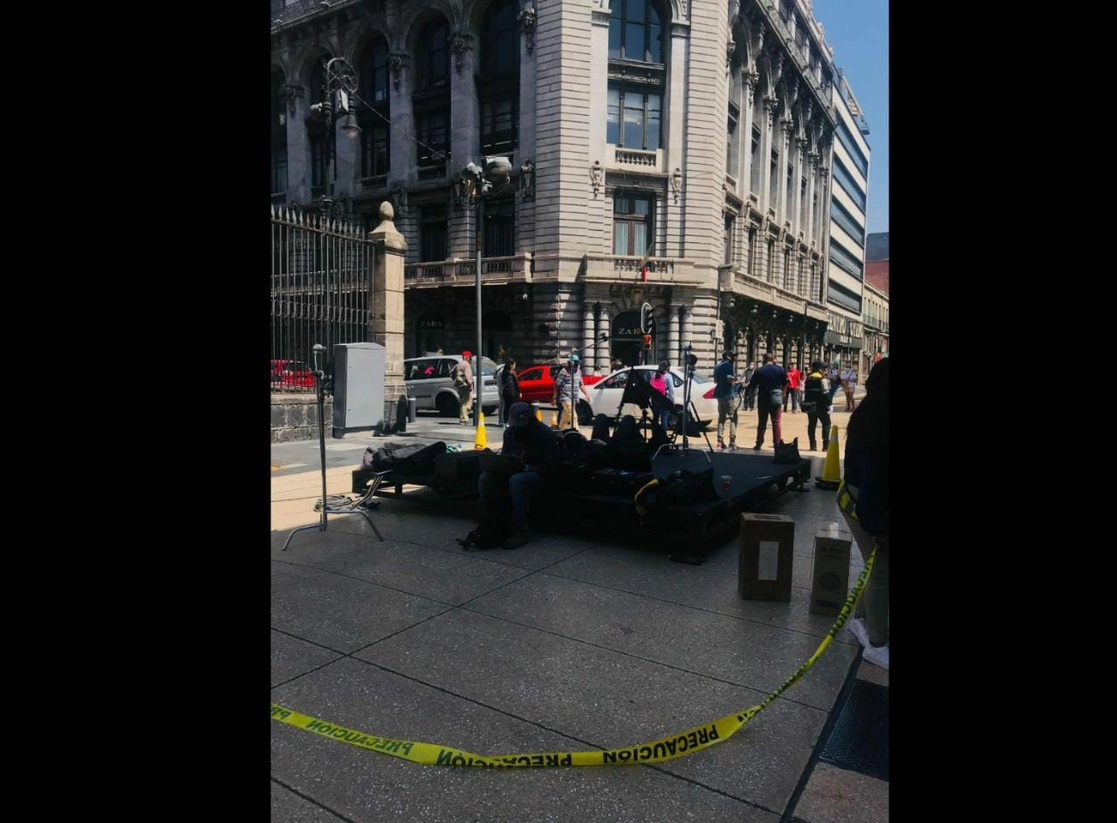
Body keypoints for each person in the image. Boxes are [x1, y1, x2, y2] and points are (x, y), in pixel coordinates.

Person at [839, 358, 889, 670]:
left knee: (875, 568)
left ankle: (860, 619)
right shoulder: (877, 424)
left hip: (864, 500)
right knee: (882, 569)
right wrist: (878, 528)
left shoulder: (871, 412)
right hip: (864, 505)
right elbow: (872, 481)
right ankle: (877, 642)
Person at [478, 401, 561, 549]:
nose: (517, 428)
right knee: (486, 478)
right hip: (513, 469)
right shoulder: (510, 433)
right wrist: (502, 462)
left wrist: (527, 467)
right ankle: (488, 520)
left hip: (538, 474)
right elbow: (506, 454)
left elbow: (550, 466)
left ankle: (520, 530)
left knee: (517, 481)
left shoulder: (544, 434)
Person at [746, 352, 787, 450]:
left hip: (763, 399)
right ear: (773, 359)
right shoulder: (780, 369)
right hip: (776, 398)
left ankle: (759, 443)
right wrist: (783, 394)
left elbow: (752, 386)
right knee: (776, 422)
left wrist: (751, 398)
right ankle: (777, 443)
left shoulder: (759, 371)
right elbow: (785, 383)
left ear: (764, 360)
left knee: (762, 422)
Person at [553, 353, 591, 429]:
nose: (576, 365)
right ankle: (576, 432)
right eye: (575, 363)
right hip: (565, 397)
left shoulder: (579, 371)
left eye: (577, 363)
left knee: (566, 417)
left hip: (574, 398)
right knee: (574, 417)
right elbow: (557, 384)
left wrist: (586, 394)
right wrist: (554, 397)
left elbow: (581, 384)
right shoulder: (564, 371)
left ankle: (560, 429)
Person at [801, 360, 832, 452]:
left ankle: (812, 445)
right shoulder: (822, 379)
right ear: (819, 369)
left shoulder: (808, 378)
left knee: (811, 424)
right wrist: (829, 404)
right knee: (826, 424)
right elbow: (826, 393)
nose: (825, 370)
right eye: (824, 369)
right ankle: (825, 446)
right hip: (821, 406)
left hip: (810, 406)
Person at [712, 350, 738, 450]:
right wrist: (736, 381)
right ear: (728, 357)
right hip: (728, 394)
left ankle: (719, 441)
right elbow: (729, 379)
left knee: (721, 418)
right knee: (733, 417)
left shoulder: (718, 366)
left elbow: (715, 380)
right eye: (733, 356)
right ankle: (732, 441)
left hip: (719, 394)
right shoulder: (729, 366)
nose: (735, 358)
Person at [649, 359, 675, 432]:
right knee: (664, 418)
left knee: (655, 418)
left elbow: (651, 387)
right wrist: (671, 401)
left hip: (655, 400)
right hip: (664, 399)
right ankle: (663, 434)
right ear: (668, 367)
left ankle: (654, 433)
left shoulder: (654, 375)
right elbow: (671, 390)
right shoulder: (668, 376)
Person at [452, 352, 474, 425]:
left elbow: (452, 373)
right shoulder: (467, 365)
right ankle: (464, 419)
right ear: (467, 357)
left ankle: (462, 418)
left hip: (460, 386)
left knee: (462, 402)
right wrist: (470, 385)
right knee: (466, 403)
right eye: (470, 357)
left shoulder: (458, 365)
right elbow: (468, 377)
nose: (470, 359)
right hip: (466, 386)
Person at [498, 358, 520, 426]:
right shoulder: (513, 373)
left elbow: (502, 382)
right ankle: (512, 421)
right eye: (514, 365)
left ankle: (505, 422)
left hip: (505, 392)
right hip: (512, 392)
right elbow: (516, 383)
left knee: (506, 407)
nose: (515, 366)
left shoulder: (503, 373)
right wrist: (519, 392)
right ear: (511, 365)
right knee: (513, 407)